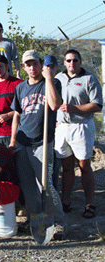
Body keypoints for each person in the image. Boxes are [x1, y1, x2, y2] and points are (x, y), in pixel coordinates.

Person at [9, 50, 66, 235]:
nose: (32, 68)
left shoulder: (52, 83)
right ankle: (36, 220)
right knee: (28, 186)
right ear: (24, 67)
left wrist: (48, 78)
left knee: (46, 185)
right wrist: (13, 140)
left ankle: (59, 221)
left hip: (43, 142)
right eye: (28, 65)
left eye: (35, 63)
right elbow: (17, 114)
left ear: (41, 64)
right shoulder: (20, 88)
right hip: (24, 143)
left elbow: (55, 105)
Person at [55, 49, 103, 219]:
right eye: (68, 60)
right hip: (62, 128)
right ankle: (66, 202)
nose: (72, 63)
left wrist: (74, 108)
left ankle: (89, 203)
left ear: (80, 61)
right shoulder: (58, 78)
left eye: (75, 60)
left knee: (84, 166)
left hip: (81, 126)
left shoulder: (89, 79)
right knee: (67, 167)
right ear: (64, 62)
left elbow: (97, 105)